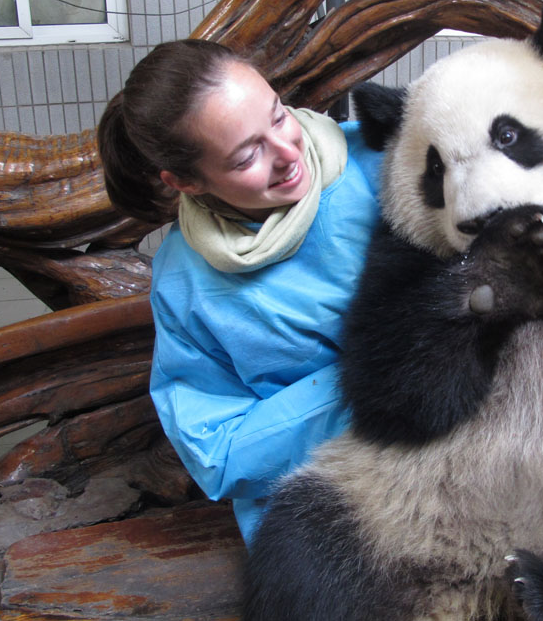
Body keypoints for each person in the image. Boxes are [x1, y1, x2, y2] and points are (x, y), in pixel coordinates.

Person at [96, 39, 381, 545]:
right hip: (338, 501)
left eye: (277, 116)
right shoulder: (187, 283)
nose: (288, 153)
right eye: (248, 154)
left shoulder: (384, 156)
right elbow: (216, 451)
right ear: (187, 182)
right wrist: (366, 384)